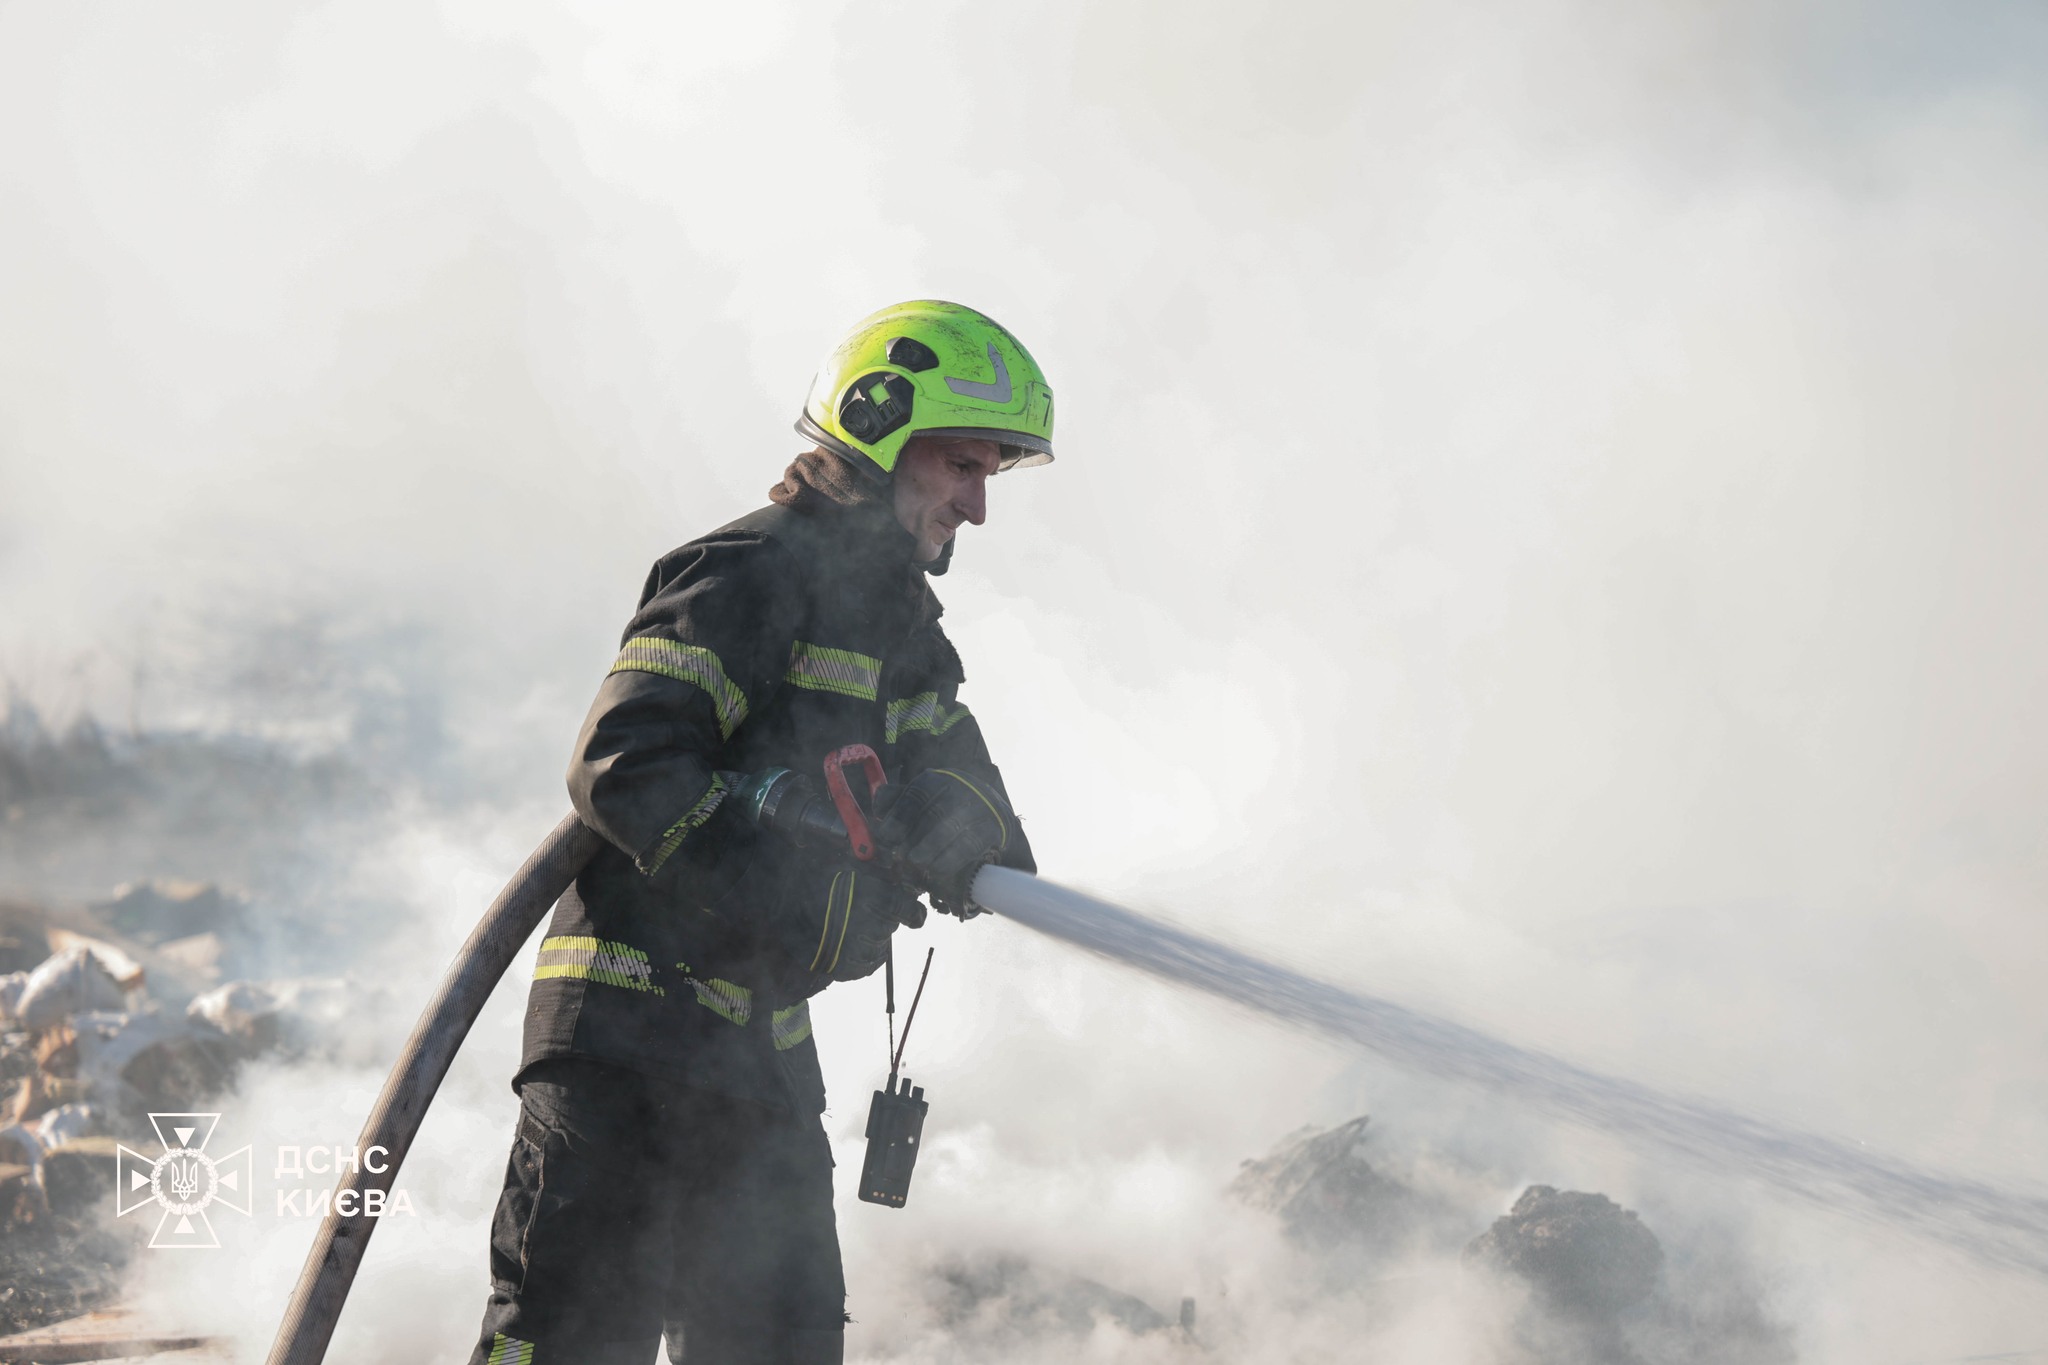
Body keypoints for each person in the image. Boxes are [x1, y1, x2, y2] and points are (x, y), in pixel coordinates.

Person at [467, 300, 1053, 1365]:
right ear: (875, 431)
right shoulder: (744, 572)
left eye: (991, 475)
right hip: (627, 1044)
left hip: (760, 1060)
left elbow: (984, 810)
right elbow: (623, 762)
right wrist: (773, 853)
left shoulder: (903, 629)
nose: (976, 506)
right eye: (962, 465)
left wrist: (956, 816)